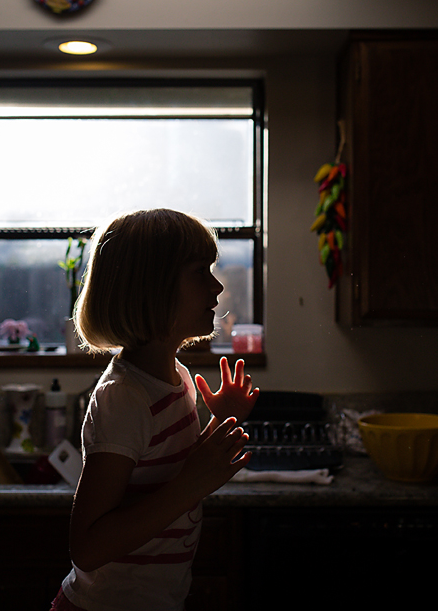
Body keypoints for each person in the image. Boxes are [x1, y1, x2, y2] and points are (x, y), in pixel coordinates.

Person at [50, 209, 260, 611]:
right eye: (201, 271)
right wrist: (192, 485)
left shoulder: (175, 376)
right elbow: (89, 548)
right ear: (152, 288)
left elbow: (167, 468)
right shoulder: (124, 397)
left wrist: (221, 420)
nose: (217, 286)